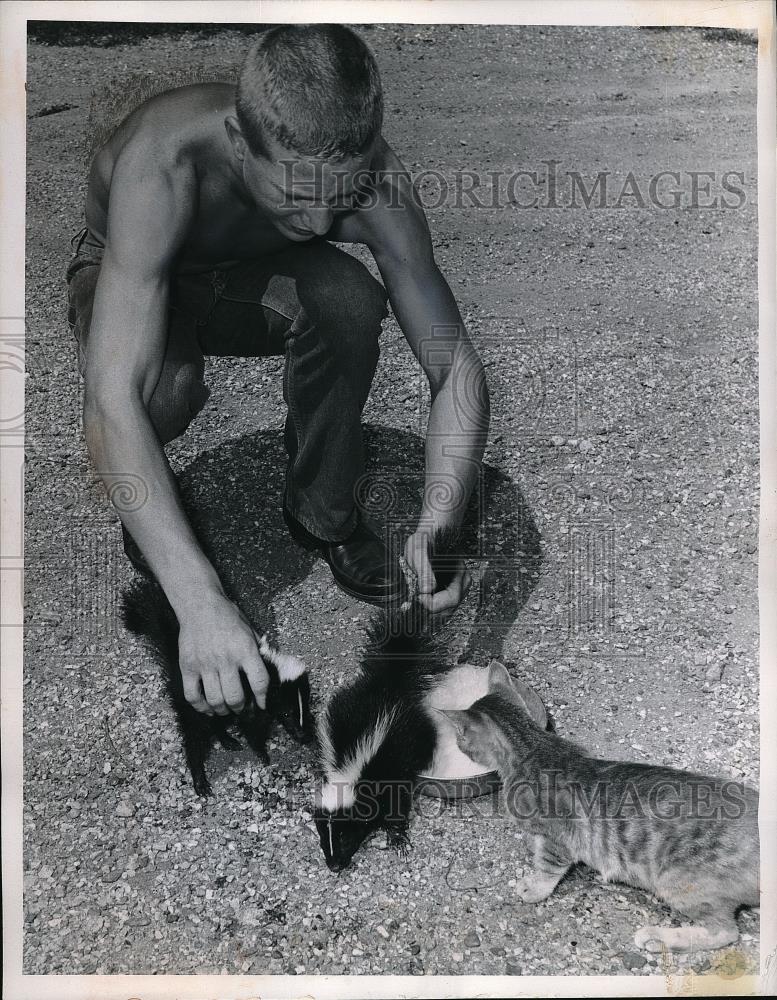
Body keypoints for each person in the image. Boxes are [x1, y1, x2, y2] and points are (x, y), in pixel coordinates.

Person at [67, 24, 490, 720]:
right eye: (296, 197)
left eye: (339, 197)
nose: (320, 218)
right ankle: (150, 514)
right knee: (157, 391)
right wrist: (201, 604)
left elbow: (457, 370)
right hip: (138, 273)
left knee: (349, 299)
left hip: (248, 277)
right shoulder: (163, 162)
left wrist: (437, 524)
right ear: (239, 144)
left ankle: (322, 514)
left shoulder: (377, 185)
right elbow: (111, 399)